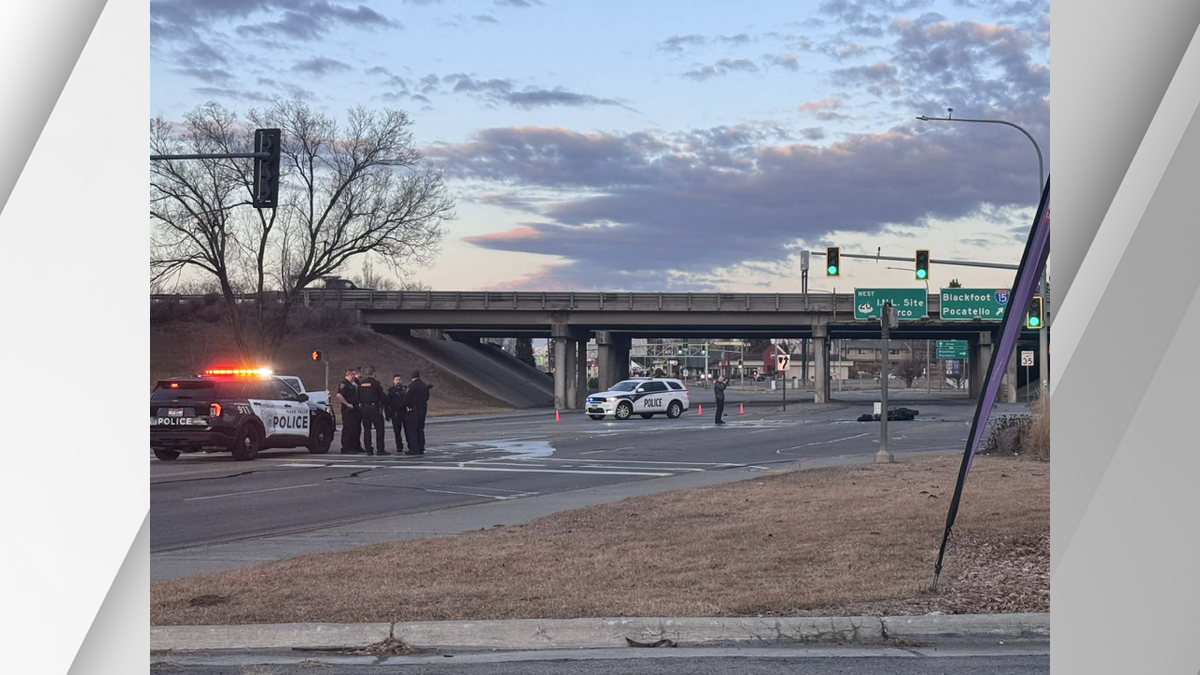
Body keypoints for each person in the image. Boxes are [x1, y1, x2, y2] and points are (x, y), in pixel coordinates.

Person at [358, 366, 388, 455]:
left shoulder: (361, 383)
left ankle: (368, 449)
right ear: (373, 373)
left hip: (364, 409)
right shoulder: (376, 384)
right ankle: (380, 449)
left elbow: (358, 396)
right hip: (374, 409)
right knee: (380, 429)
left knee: (367, 429)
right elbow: (382, 397)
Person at [402, 370, 431, 455]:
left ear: (412, 377)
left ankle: (414, 449)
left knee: (412, 430)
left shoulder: (412, 387)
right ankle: (421, 447)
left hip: (413, 411)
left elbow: (406, 400)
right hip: (423, 410)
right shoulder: (424, 386)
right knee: (420, 429)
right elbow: (427, 398)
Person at [335, 369, 363, 454]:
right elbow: (339, 395)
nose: (354, 377)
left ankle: (355, 446)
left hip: (355, 409)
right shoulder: (344, 384)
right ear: (349, 375)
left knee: (356, 428)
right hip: (348, 410)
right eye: (353, 375)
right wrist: (347, 404)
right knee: (348, 429)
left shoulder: (354, 384)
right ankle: (346, 447)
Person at [384, 374, 407, 454]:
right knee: (397, 431)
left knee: (408, 430)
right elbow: (386, 403)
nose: (398, 381)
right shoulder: (390, 391)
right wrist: (387, 414)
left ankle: (411, 445)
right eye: (396, 380)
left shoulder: (405, 389)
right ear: (393, 381)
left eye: (399, 379)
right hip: (395, 413)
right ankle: (399, 446)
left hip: (404, 412)